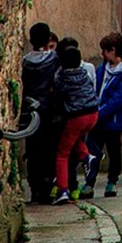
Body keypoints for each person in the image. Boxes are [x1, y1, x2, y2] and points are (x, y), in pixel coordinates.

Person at [83, 32, 122, 198]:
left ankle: (112, 182)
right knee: (93, 151)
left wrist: (101, 112)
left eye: (105, 50)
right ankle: (89, 182)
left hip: (112, 121)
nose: (102, 54)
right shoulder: (102, 69)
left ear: (113, 50)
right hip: (98, 118)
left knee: (114, 152)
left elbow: (119, 99)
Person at [52, 41, 99, 203]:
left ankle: (62, 190)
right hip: (93, 114)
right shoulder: (84, 74)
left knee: (62, 154)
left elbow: (58, 97)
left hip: (77, 116)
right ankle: (86, 157)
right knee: (75, 137)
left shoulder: (62, 78)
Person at [21, 23, 59, 204]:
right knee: (48, 150)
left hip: (30, 109)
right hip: (47, 109)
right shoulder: (53, 59)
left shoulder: (25, 61)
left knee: (33, 149)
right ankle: (46, 186)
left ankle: (34, 187)